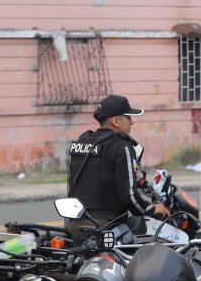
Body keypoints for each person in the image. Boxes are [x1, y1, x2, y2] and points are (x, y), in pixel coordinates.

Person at [66, 95, 169, 242]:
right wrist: (152, 209)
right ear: (115, 121)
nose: (131, 122)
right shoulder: (122, 147)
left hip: (74, 225)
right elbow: (129, 196)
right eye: (128, 117)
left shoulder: (82, 142)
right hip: (107, 227)